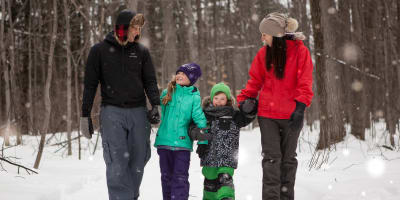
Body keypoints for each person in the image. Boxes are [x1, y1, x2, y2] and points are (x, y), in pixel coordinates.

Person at [80, 9, 160, 200]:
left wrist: (156, 105)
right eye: (134, 27)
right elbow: (90, 85)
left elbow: (150, 80)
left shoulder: (141, 52)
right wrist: (85, 114)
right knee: (116, 162)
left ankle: (130, 196)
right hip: (112, 112)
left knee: (139, 159)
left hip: (138, 113)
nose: (137, 32)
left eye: (140, 28)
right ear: (123, 28)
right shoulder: (99, 51)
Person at [236, 12, 314, 200]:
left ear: (276, 34)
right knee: (271, 160)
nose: (262, 37)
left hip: (291, 114)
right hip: (268, 115)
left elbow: (305, 82)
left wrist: (300, 108)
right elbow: (254, 81)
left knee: (288, 161)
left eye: (265, 33)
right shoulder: (264, 53)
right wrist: (243, 103)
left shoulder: (300, 52)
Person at [189, 82, 255, 200]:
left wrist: (249, 110)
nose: (219, 101)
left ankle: (226, 197)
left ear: (228, 100)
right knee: (210, 181)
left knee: (225, 178)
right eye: (216, 98)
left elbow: (245, 119)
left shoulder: (233, 114)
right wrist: (197, 134)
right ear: (211, 98)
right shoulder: (205, 114)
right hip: (209, 154)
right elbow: (193, 127)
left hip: (228, 155)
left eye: (222, 99)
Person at [154, 63, 208, 200]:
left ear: (192, 78)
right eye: (178, 73)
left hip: (182, 145)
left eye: (184, 74)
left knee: (180, 177)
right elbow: (158, 108)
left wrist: (203, 139)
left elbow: (199, 118)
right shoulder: (167, 92)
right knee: (166, 177)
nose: (179, 75)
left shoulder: (194, 96)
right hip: (164, 143)